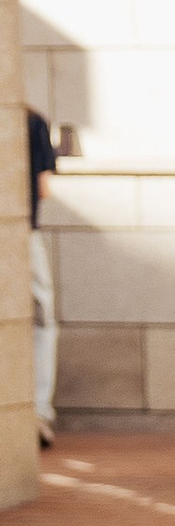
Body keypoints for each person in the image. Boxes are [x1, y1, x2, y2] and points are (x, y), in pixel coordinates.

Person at [25, 103, 55, 451]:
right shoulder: (32, 120)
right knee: (41, 321)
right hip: (23, 235)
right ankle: (38, 413)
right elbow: (43, 188)